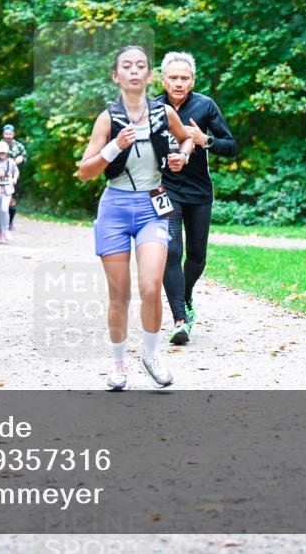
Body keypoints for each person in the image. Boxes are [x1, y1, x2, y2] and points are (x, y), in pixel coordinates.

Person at [77, 45, 195, 391]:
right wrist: (114, 146)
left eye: (140, 66)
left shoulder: (163, 113)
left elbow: (187, 139)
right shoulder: (107, 119)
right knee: (120, 293)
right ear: (116, 76)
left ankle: (152, 354)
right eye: (126, 66)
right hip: (114, 207)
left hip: (152, 207)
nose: (133, 71)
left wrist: (182, 158)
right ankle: (117, 365)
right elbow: (85, 171)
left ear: (148, 76)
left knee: (149, 285)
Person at [156, 52, 238, 345]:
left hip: (199, 192)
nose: (179, 83)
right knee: (171, 250)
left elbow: (231, 146)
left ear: (192, 82)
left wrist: (206, 141)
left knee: (197, 257)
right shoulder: (152, 108)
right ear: (163, 80)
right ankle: (180, 318)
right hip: (163, 189)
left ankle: (185, 292)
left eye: (184, 78)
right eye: (173, 78)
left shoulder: (205, 106)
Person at [0, 124, 27, 231]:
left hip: (14, 176)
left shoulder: (19, 146)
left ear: (13, 134)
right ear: (3, 134)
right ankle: (2, 222)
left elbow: (25, 157)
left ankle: (10, 222)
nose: (8, 136)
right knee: (1, 202)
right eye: (6, 134)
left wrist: (21, 159)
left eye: (10, 134)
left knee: (13, 200)